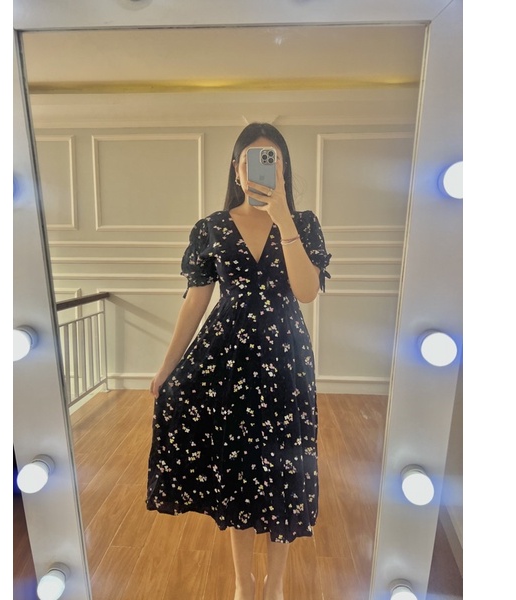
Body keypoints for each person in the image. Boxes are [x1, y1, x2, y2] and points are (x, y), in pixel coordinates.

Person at [146, 123, 331, 600]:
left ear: (284, 169)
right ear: (236, 168)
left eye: (272, 159)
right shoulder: (212, 227)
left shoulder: (303, 224)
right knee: (239, 468)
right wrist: (167, 367)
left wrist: (283, 219)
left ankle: (276, 583)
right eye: (251, 159)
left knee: (284, 469)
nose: (261, 168)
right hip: (227, 360)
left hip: (285, 361)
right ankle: (243, 582)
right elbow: (195, 302)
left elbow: (306, 292)